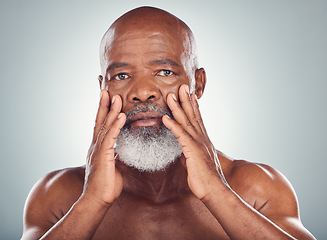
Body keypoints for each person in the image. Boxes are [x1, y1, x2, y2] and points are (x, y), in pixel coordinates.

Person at [21, 6, 316, 240]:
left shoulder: (256, 188)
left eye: (164, 71)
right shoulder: (57, 195)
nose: (141, 92)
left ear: (198, 84)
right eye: (121, 76)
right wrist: (92, 203)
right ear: (103, 89)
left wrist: (217, 192)